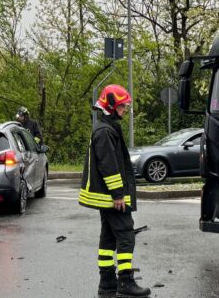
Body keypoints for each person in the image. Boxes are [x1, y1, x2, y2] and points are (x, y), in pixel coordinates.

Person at [78, 84, 150, 297]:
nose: (125, 110)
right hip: (112, 197)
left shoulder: (106, 128)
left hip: (107, 196)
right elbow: (108, 165)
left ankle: (107, 282)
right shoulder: (105, 131)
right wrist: (118, 194)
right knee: (126, 233)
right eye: (122, 106)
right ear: (111, 106)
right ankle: (125, 282)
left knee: (108, 238)